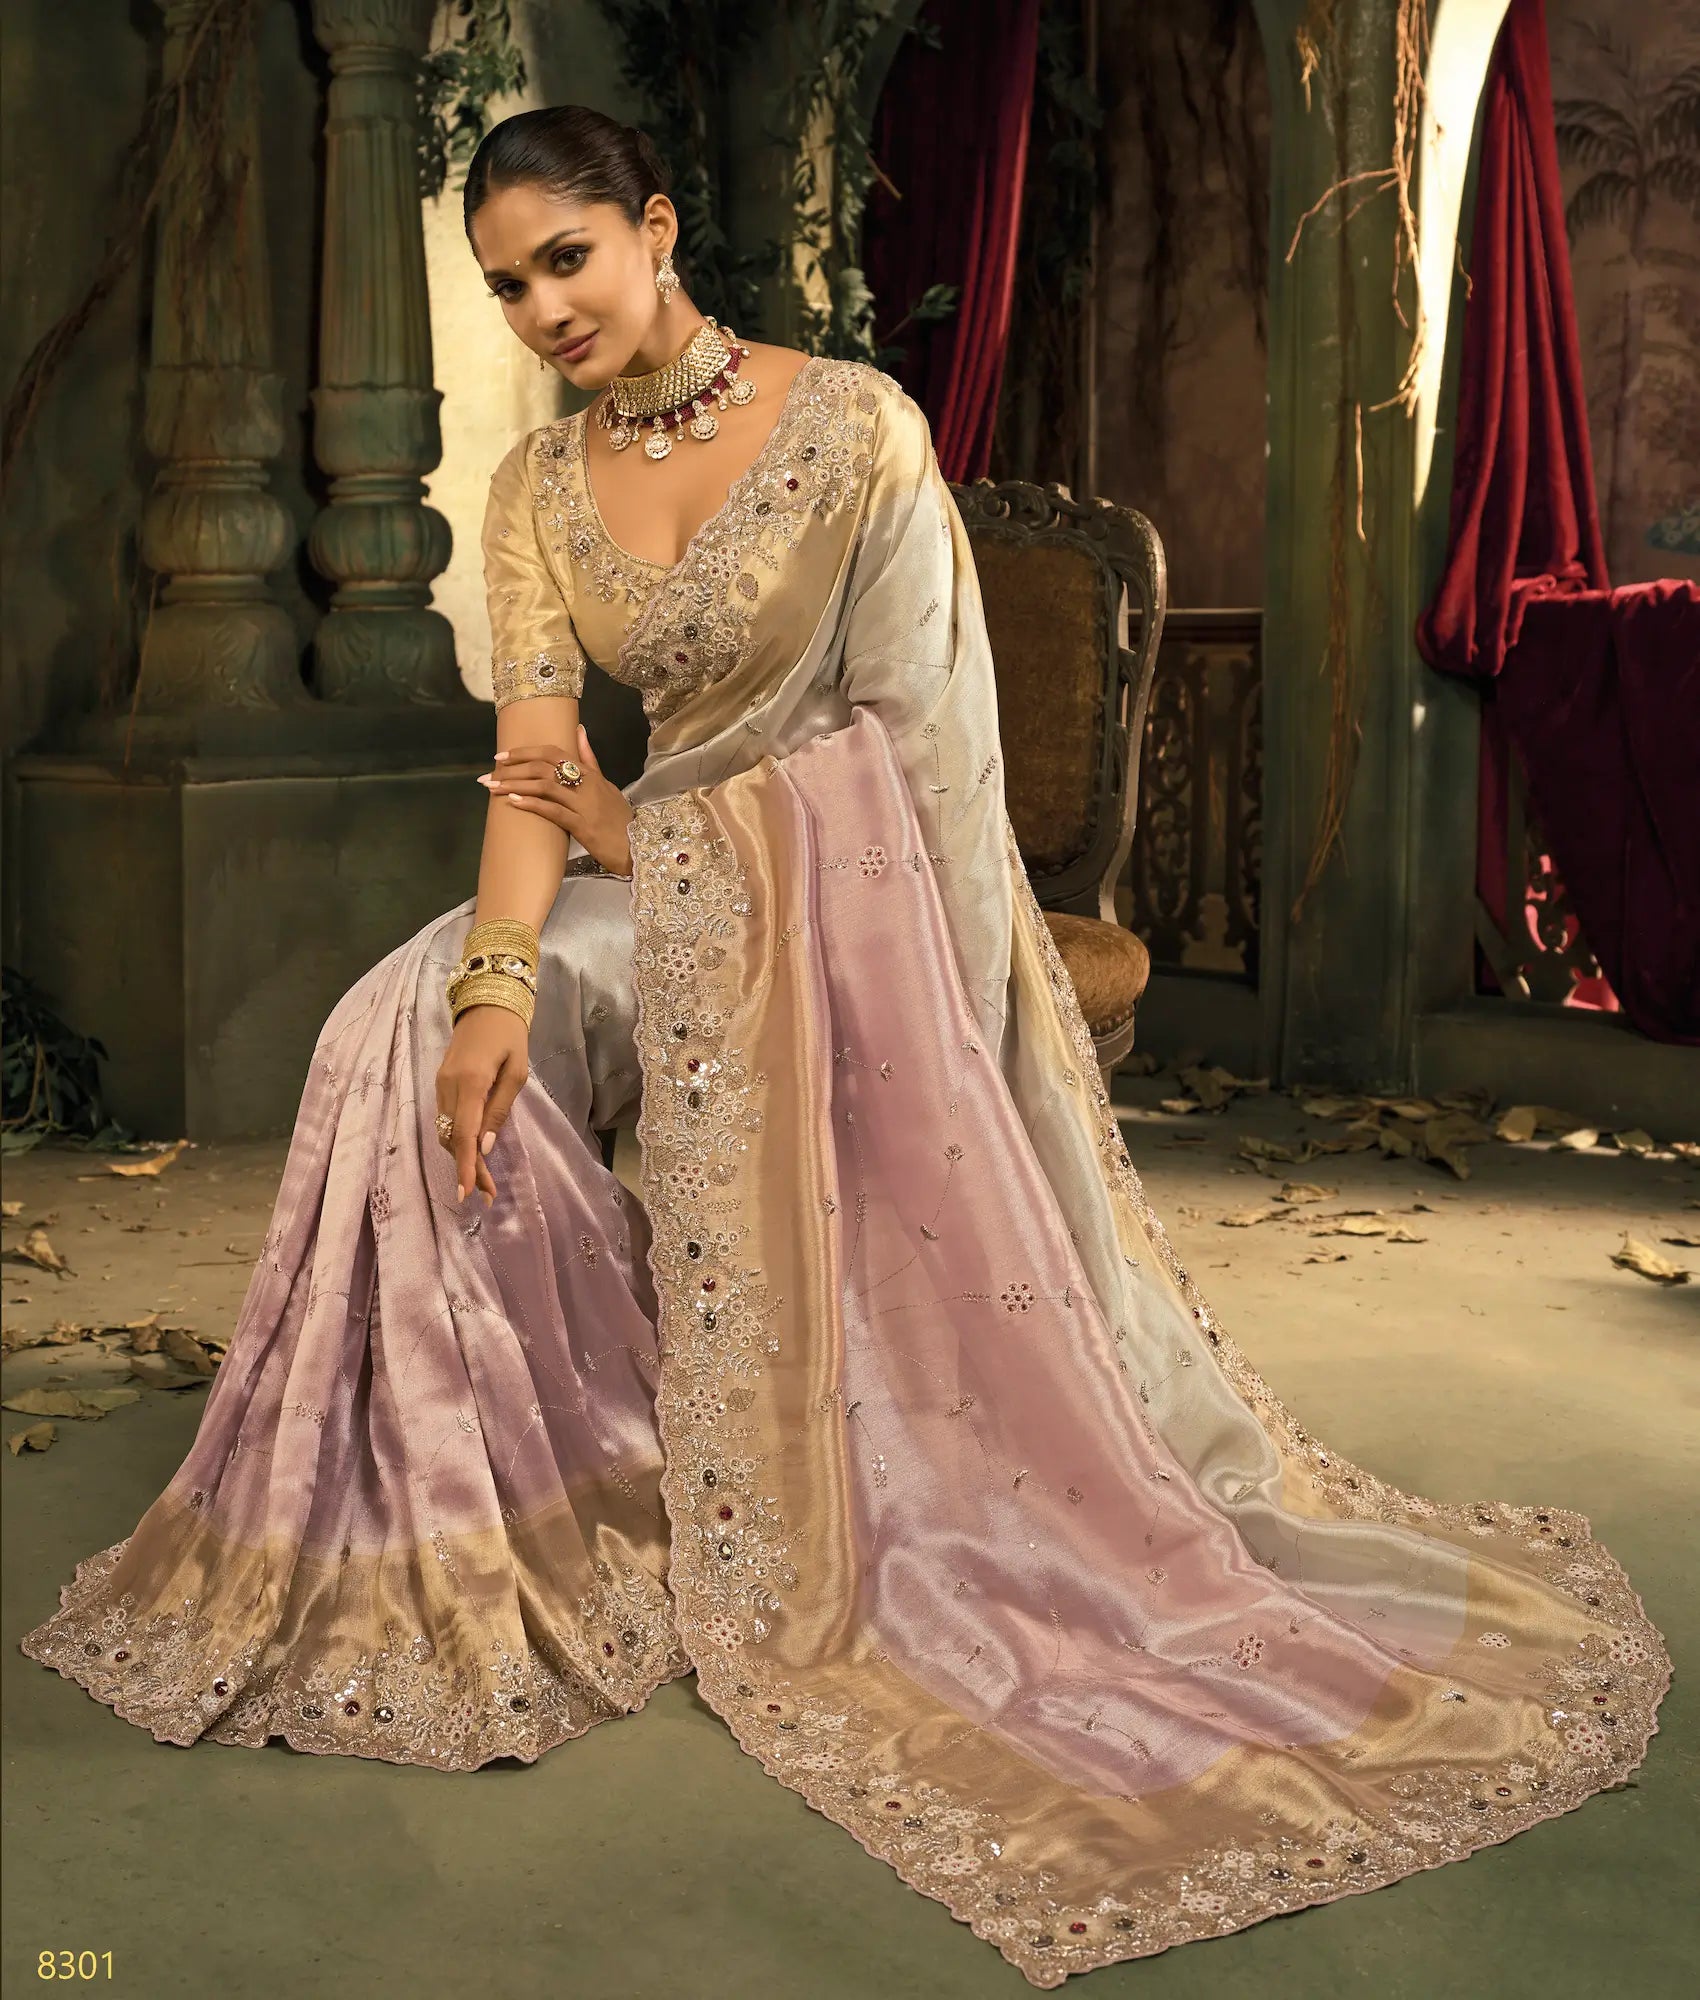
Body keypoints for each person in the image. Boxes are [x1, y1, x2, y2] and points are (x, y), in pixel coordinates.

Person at [20, 106, 1670, 1988]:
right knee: (392, 1022)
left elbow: (921, 751)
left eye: (567, 258)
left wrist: (681, 852)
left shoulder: (854, 426)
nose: (544, 308)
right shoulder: (541, 485)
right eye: (507, 284)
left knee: (536, 985)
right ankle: (537, 1487)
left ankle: (729, 1450)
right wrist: (493, 979)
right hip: (657, 871)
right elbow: (538, 766)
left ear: (655, 229)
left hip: (842, 902)